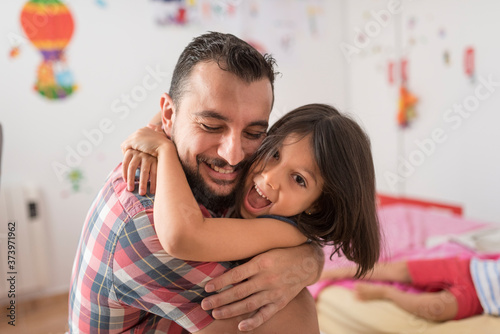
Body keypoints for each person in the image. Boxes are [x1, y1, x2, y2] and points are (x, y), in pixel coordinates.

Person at [69, 32, 325, 334]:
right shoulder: (146, 221)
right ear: (169, 116)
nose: (232, 155)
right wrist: (305, 260)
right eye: (211, 126)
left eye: (254, 133)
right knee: (291, 307)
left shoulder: (223, 178)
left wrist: (310, 257)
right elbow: (275, 302)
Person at [122, 103, 381, 333]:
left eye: (299, 179)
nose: (270, 177)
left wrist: (164, 150)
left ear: (316, 206)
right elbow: (185, 101)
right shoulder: (234, 166)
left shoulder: (286, 231)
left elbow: (186, 236)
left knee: (297, 307)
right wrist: (155, 128)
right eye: (275, 154)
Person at [319, 256, 500, 321]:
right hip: (471, 269)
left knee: (433, 309)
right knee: (400, 270)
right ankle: (343, 271)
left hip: (481, 299)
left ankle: (387, 293)